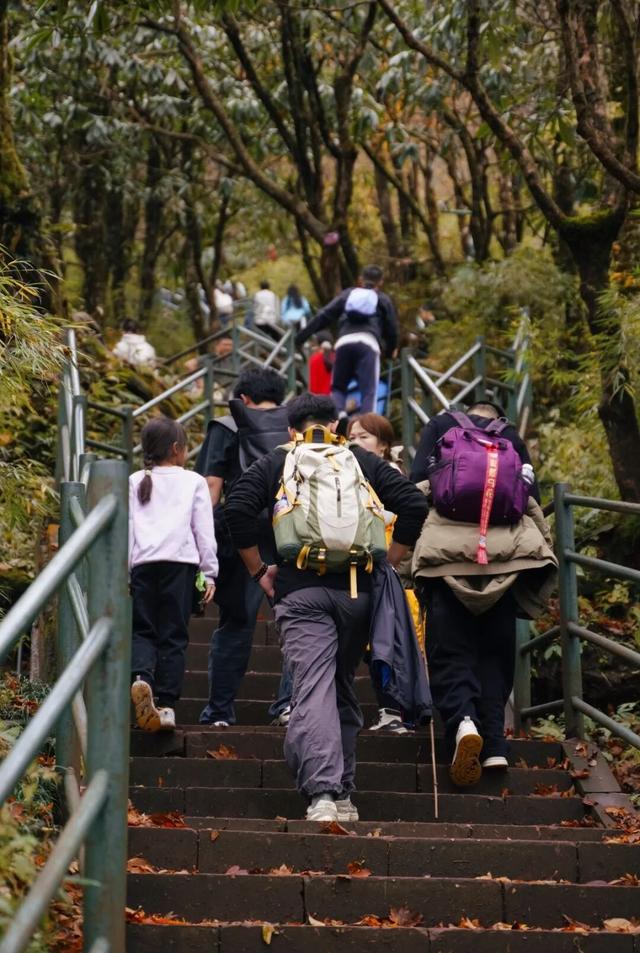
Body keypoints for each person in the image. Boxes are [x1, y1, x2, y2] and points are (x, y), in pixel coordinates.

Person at [224, 394, 428, 823]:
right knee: (338, 685)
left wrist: (259, 570)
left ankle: (323, 793)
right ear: (336, 425)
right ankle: (345, 793)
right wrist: (389, 559)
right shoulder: (359, 461)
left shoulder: (279, 460)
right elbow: (412, 503)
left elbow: (237, 509)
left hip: (300, 593)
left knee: (313, 686)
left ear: (290, 429)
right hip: (358, 595)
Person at [410, 401, 557, 786]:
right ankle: (494, 744)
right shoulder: (509, 436)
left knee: (449, 650)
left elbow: (414, 487)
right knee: (494, 652)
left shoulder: (439, 426)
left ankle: (462, 722)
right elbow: (531, 498)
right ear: (495, 414)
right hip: (504, 562)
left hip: (447, 560)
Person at [194, 367, 293, 727]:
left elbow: (211, 487)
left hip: (242, 533)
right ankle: (287, 706)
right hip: (289, 533)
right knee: (295, 623)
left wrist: (203, 547)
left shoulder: (226, 425)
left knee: (236, 623)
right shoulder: (295, 428)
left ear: (243, 399)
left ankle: (219, 712)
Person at [129, 417, 217, 733]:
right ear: (177, 449)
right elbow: (203, 530)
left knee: (142, 630)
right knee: (173, 635)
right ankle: (164, 705)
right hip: (180, 567)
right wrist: (209, 572)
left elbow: (128, 530)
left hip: (143, 566)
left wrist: (128, 569)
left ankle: (141, 679)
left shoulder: (135, 479)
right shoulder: (193, 481)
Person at [348, 414, 428, 735]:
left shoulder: (387, 476)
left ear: (383, 445)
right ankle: (395, 711)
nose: (355, 442)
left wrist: (391, 561)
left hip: (391, 576)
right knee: (380, 645)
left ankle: (397, 711)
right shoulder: (362, 471)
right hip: (377, 571)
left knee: (389, 644)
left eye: (364, 437)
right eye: (351, 435)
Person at [295, 265, 398, 416]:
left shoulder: (348, 294)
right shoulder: (382, 299)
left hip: (343, 342)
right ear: (380, 282)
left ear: (360, 280)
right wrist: (390, 351)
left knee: (338, 387)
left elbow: (324, 315)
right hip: (368, 344)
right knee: (369, 391)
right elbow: (392, 329)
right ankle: (366, 426)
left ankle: (340, 414)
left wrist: (300, 337)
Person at [308, 331, 335, 396]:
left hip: (320, 401)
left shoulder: (314, 359)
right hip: (336, 399)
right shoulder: (337, 357)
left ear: (318, 344)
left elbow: (313, 386)